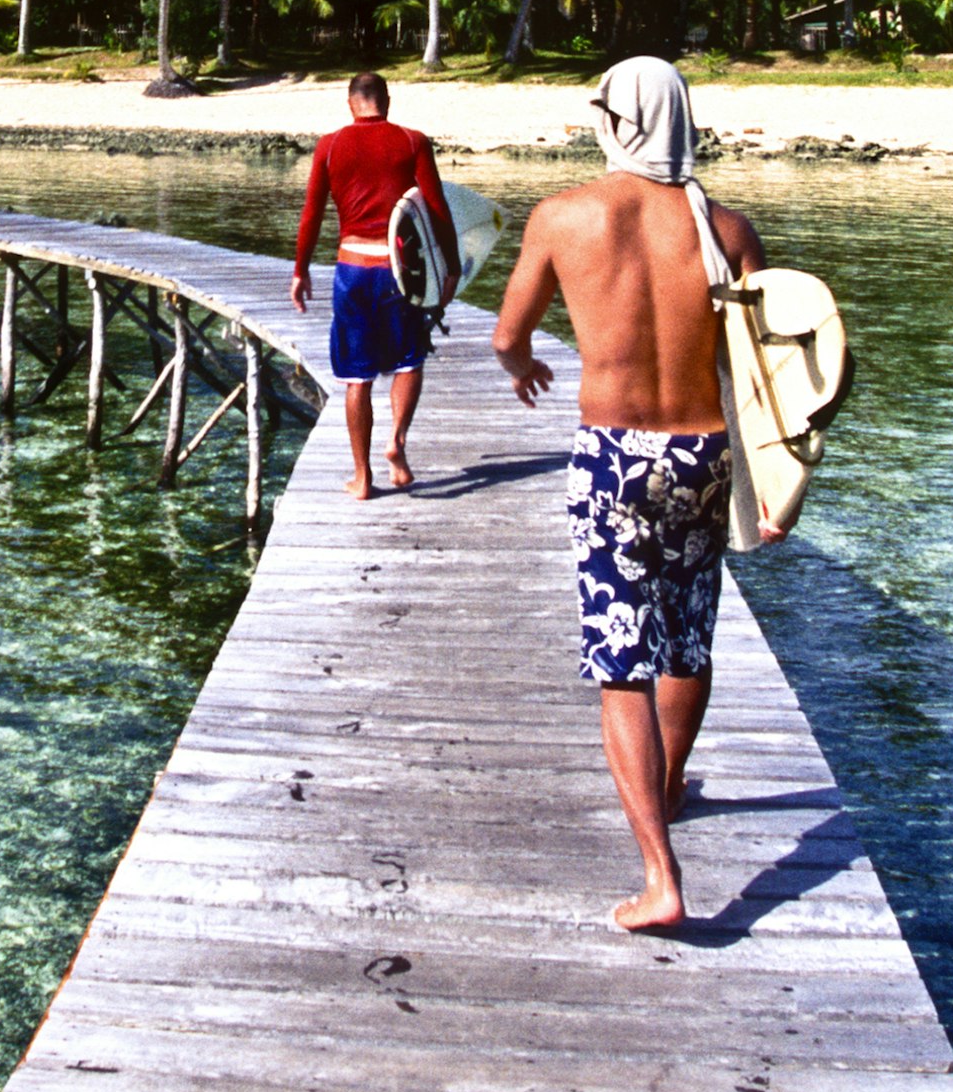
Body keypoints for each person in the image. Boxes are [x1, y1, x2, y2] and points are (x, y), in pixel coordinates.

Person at [487, 54, 767, 931]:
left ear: (614, 122)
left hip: (614, 460)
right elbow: (765, 378)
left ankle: (660, 877)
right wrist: (777, 492)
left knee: (622, 665)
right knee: (687, 637)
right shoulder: (726, 230)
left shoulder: (565, 216)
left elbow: (506, 335)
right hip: (704, 454)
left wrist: (527, 363)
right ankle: (673, 787)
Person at [289, 71, 460, 499]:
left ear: (350, 103)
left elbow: (311, 215)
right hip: (399, 272)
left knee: (357, 378)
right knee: (408, 360)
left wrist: (300, 269)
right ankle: (396, 443)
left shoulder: (329, 146)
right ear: (387, 100)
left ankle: (362, 477)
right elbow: (437, 210)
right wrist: (452, 267)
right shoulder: (412, 141)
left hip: (352, 269)